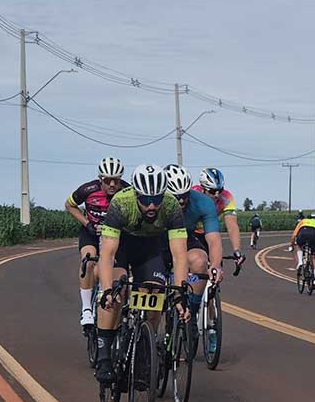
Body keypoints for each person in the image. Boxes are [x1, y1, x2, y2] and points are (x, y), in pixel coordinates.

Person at [94, 164, 190, 385]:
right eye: (146, 200)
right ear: (136, 194)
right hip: (122, 245)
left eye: (156, 199)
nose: (152, 205)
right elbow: (107, 254)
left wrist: (179, 294)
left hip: (151, 248)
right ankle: (104, 355)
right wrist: (106, 290)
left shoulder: (171, 206)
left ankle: (145, 348)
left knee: (154, 291)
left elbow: (179, 256)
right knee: (116, 290)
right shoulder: (121, 203)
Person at [64, 157, 127, 327]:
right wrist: (87, 223)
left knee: (116, 266)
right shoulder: (87, 189)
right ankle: (86, 308)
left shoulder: (126, 191)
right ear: (100, 179)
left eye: (116, 180)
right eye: (107, 180)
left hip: (115, 235)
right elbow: (69, 205)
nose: (112, 184)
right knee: (89, 260)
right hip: (91, 232)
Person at [163, 164, 224, 330]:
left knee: (200, 261)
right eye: (176, 196)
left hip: (185, 237)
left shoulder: (203, 202)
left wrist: (215, 266)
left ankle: (193, 314)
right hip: (158, 239)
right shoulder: (155, 202)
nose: (181, 200)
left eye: (185, 195)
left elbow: (214, 239)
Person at [191, 167, 242, 263]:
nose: (217, 195)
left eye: (220, 190)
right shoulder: (193, 195)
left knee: (217, 264)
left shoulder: (227, 198)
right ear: (203, 189)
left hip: (211, 233)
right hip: (192, 233)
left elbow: (232, 226)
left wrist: (237, 250)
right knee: (198, 262)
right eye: (212, 191)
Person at [290, 211, 315, 277]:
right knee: (313, 258)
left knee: (298, 245)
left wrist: (291, 245)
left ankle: (300, 262)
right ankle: (314, 279)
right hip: (313, 236)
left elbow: (294, 235)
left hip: (302, 234)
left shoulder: (303, 221)